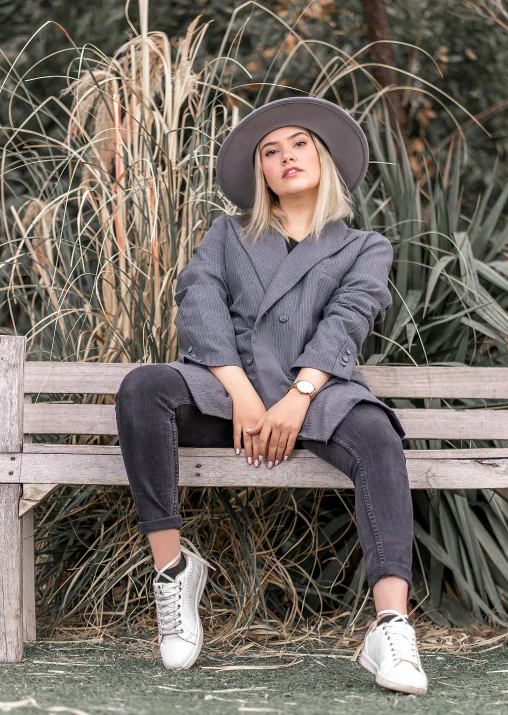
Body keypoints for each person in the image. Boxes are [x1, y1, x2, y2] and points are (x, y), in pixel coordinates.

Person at [115, 96, 428, 696]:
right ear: (260, 173)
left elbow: (348, 319)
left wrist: (298, 396)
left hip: (318, 393)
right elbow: (199, 305)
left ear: (324, 156)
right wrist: (242, 395)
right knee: (143, 388)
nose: (286, 157)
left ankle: (390, 626)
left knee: (379, 436)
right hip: (224, 390)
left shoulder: (364, 247)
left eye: (299, 144)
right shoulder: (227, 234)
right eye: (270, 151)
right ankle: (174, 571)